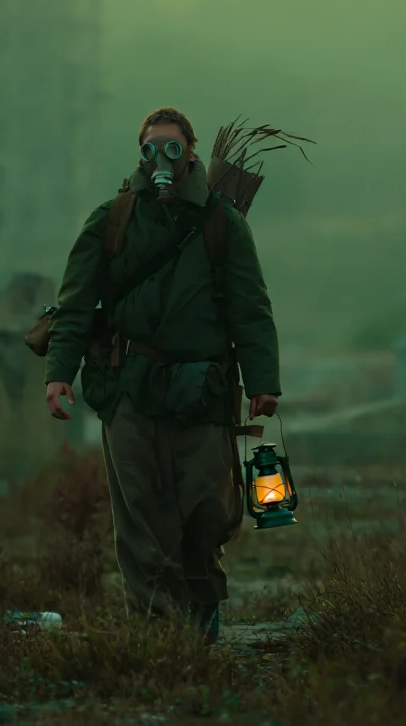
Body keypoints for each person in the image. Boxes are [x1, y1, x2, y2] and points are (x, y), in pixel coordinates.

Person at [44, 107, 281, 643]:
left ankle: (199, 609)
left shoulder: (222, 223)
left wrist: (263, 381)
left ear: (191, 152)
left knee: (206, 512)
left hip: (203, 390)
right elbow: (75, 303)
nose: (161, 161)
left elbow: (251, 308)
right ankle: (159, 638)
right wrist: (59, 373)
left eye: (172, 149)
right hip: (129, 388)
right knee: (141, 518)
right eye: (150, 150)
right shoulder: (112, 220)